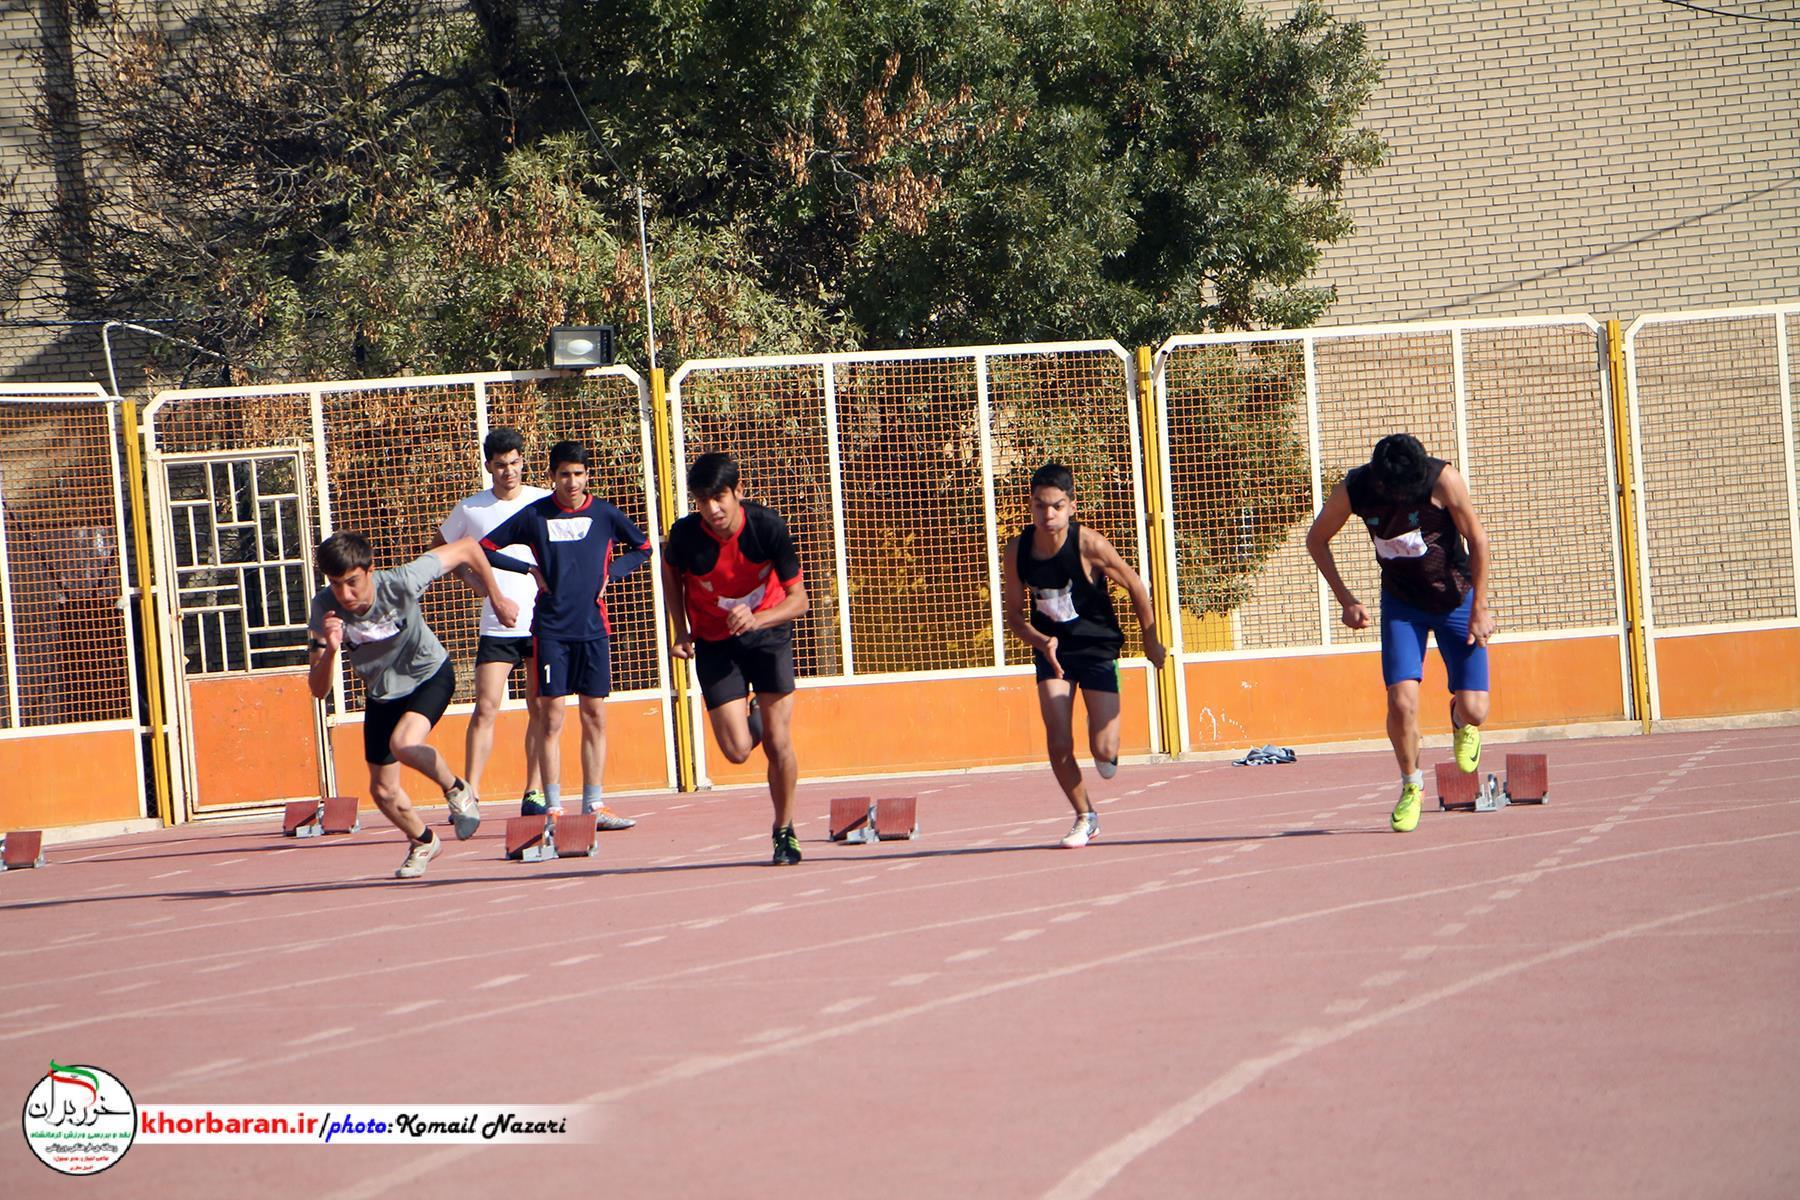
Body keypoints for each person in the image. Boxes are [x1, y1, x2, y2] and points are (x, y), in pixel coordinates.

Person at [1305, 432, 1494, 834]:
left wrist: (1479, 609)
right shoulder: (1355, 488)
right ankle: (1412, 785)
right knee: (1401, 701)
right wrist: (1346, 599)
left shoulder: (1443, 480)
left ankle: (1460, 721)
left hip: (1456, 599)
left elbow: (1477, 539)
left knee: (1477, 709)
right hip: (1402, 606)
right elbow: (1316, 539)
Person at [307, 532, 519, 879]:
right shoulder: (325, 607)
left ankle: (457, 789)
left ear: (370, 570)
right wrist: (330, 649)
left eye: (353, 583)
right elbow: (318, 689)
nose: (345, 595)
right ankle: (423, 841)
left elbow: (467, 547)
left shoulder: (403, 581)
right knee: (382, 790)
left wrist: (496, 598)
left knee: (404, 743)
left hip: (429, 675)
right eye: (336, 584)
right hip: (382, 692)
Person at [480, 442, 651, 830]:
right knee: (551, 717)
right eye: (563, 474)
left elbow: (642, 547)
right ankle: (553, 807)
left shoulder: (605, 514)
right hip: (551, 631)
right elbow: (486, 548)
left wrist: (615, 571)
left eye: (578, 474)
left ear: (587, 475)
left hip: (593, 630)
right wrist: (529, 571)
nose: (571, 482)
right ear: (552, 477)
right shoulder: (536, 514)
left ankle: (594, 804)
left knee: (594, 715)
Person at [1001, 462, 1166, 850]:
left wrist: (1150, 638)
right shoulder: (1018, 550)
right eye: (1040, 506)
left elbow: (1137, 588)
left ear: (1072, 506)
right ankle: (1085, 816)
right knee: (1058, 741)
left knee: (1103, 751)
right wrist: (1040, 641)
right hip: (1053, 652)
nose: (1048, 515)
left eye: (1057, 506)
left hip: (1095, 647)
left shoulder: (1090, 544)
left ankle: (1101, 726)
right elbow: (1013, 615)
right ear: (1030, 506)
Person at [661, 452, 809, 866]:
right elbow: (669, 571)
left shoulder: (767, 528)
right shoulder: (688, 536)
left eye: (719, 498)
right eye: (702, 500)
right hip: (715, 641)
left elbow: (800, 601)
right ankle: (757, 708)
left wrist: (758, 618)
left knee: (779, 743)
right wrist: (681, 628)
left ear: (738, 492)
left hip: (768, 634)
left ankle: (785, 831)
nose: (712, 509)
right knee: (737, 751)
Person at [436, 427, 552, 815]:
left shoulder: (544, 501)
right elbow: (439, 550)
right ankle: (471, 794)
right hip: (497, 626)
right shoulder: (471, 509)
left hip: (542, 621)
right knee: (486, 707)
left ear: (523, 461)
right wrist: (470, 578)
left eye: (515, 462)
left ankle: (534, 792)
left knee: (539, 705)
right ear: (488, 466)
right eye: (500, 464)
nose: (508, 471)